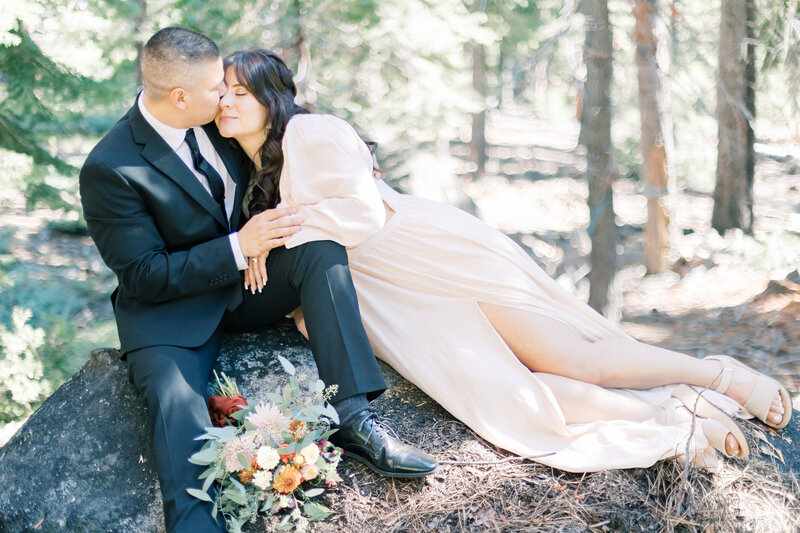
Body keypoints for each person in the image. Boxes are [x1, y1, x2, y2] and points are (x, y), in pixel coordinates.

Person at [215, 48, 793, 473]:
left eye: (242, 92)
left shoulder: (310, 132)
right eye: (223, 93)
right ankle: (673, 413)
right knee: (509, 394)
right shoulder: (251, 173)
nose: (228, 103)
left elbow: (363, 215)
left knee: (570, 358)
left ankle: (717, 375)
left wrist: (273, 236)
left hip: (427, 253)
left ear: (274, 97)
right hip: (386, 294)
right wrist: (266, 241)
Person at [79, 29, 436, 533]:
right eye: (215, 89)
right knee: (177, 409)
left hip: (250, 281)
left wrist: (354, 159)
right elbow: (142, 275)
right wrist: (236, 248)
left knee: (319, 249)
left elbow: (284, 130)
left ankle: (354, 417)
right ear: (180, 96)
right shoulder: (111, 166)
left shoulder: (217, 123)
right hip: (169, 311)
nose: (225, 96)